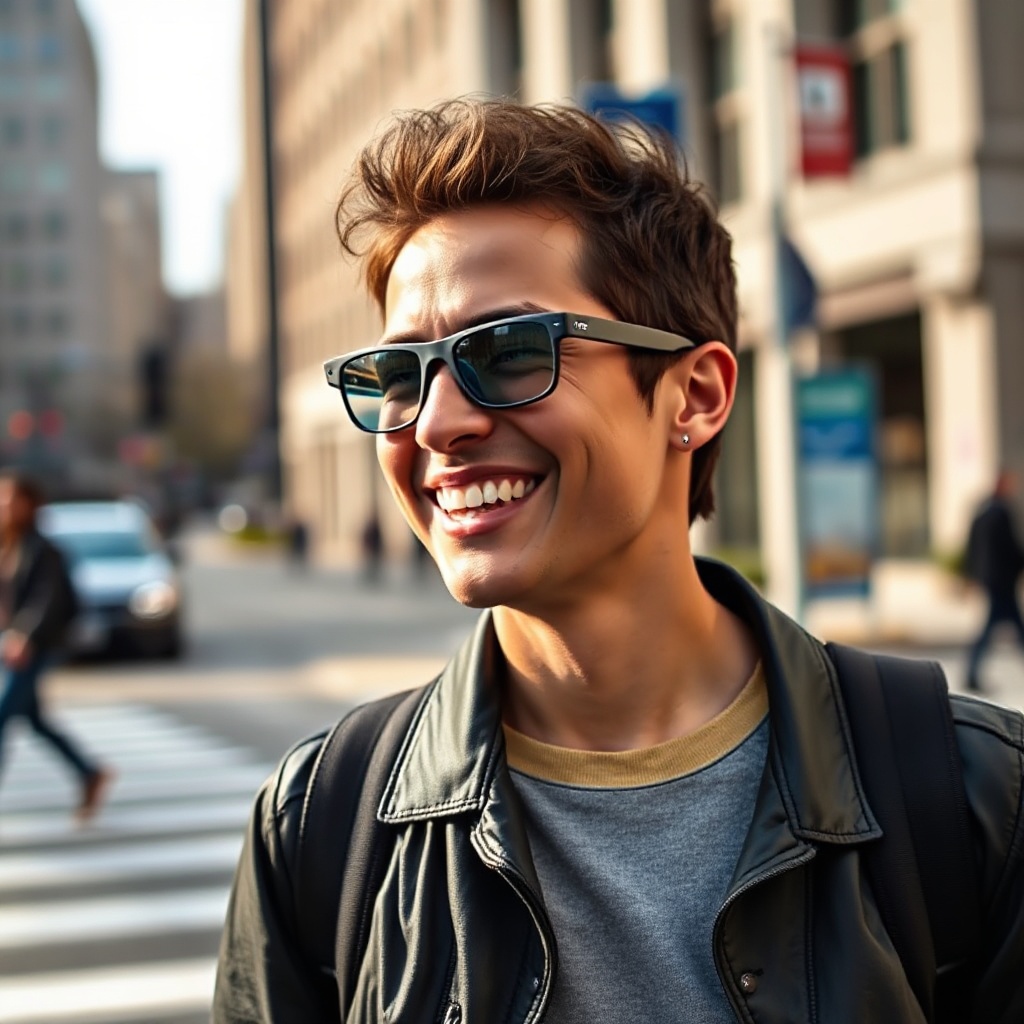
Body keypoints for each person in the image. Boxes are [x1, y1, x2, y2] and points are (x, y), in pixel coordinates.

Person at [213, 100, 1024, 1023]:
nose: (437, 422)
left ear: (698, 394)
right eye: (400, 375)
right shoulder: (321, 827)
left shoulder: (973, 802)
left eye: (513, 351)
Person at [0, 471, 112, 823]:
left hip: (36, 646)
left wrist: (24, 636)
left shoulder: (43, 549)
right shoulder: (9, 545)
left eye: (11, 500)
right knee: (34, 720)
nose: (5, 506)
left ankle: (89, 773)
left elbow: (46, 601)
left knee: (2, 717)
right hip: (13, 645)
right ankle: (88, 772)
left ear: (30, 505)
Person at [964, 470, 1024, 691]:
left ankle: (971, 674)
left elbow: (971, 546)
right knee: (996, 629)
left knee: (1002, 629)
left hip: (990, 579)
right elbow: (1008, 548)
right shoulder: (1001, 513)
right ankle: (971, 674)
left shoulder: (984, 510)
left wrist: (972, 574)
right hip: (1002, 582)